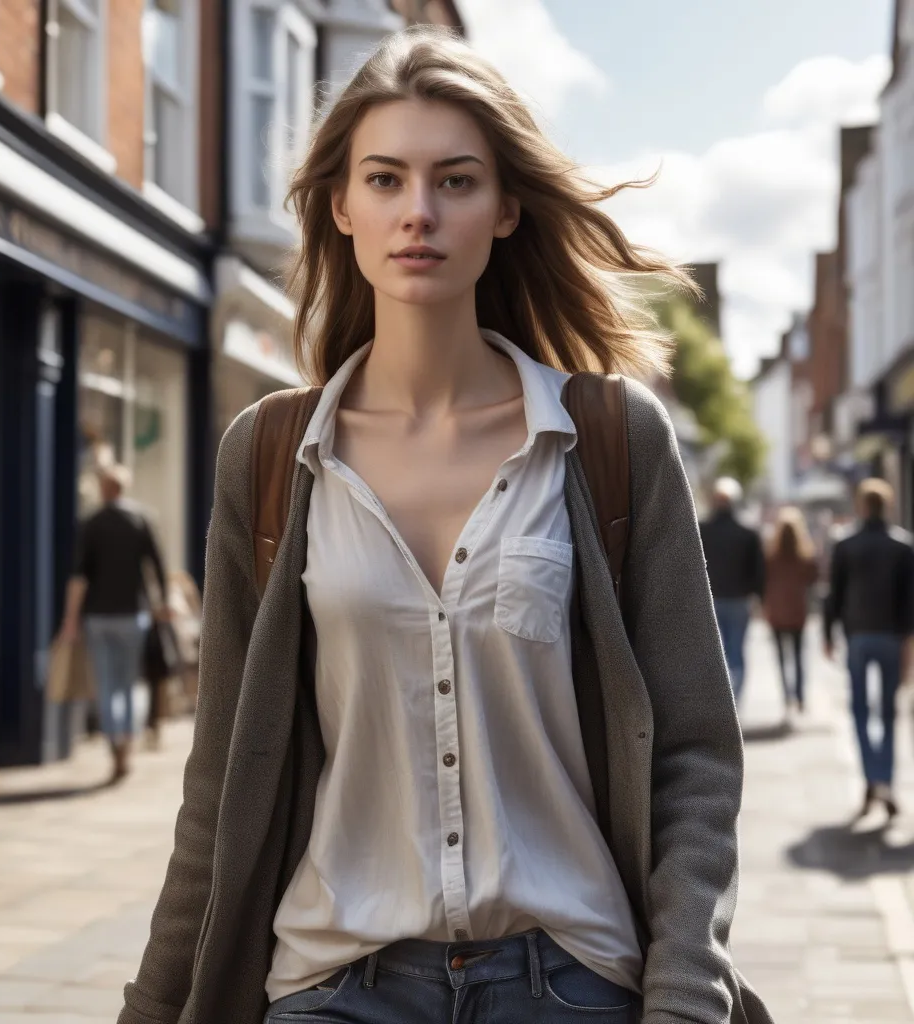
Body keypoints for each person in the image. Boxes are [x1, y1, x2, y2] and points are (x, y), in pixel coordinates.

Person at [117, 28, 771, 1024]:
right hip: (335, 985)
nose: (416, 212)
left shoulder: (607, 441)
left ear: (506, 207)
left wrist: (684, 997)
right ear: (340, 205)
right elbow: (221, 785)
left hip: (568, 984)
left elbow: (692, 757)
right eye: (384, 178)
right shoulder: (267, 458)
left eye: (455, 181)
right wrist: (152, 1007)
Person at [60, 464, 169, 781]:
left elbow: (79, 576)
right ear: (125, 487)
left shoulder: (91, 523)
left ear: (104, 488)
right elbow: (158, 565)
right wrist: (161, 603)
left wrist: (70, 620)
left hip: (98, 617)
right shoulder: (141, 519)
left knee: (107, 685)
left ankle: (115, 745)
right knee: (128, 683)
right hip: (133, 615)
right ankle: (128, 743)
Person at [824, 478, 914, 818]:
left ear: (862, 506)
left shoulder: (846, 545)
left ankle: (871, 780)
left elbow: (835, 593)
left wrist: (829, 634)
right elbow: (910, 603)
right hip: (891, 637)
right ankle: (885, 781)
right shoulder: (903, 546)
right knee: (889, 713)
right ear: (887, 506)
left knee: (860, 710)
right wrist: (909, 643)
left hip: (859, 636)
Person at [700, 476, 765, 701]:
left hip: (711, 600)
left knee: (716, 655)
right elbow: (758, 572)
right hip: (739, 600)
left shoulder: (702, 531)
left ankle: (721, 703)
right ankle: (734, 702)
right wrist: (758, 599)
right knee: (736, 652)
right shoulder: (747, 533)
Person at [763, 507, 818, 716]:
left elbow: (763, 580)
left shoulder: (770, 554)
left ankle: (787, 696)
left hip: (776, 610)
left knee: (780, 657)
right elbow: (813, 579)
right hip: (797, 610)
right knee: (798, 654)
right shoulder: (805, 554)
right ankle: (800, 696)